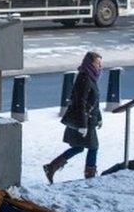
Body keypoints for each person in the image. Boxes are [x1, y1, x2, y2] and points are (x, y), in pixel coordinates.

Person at [44, 51, 104, 184]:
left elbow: (94, 100)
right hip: (84, 120)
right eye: (97, 63)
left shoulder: (91, 77)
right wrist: (83, 125)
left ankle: (51, 167)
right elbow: (80, 101)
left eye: (100, 63)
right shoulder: (84, 78)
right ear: (90, 63)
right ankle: (90, 177)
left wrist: (99, 117)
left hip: (88, 119)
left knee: (79, 147)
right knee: (93, 147)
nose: (100, 66)